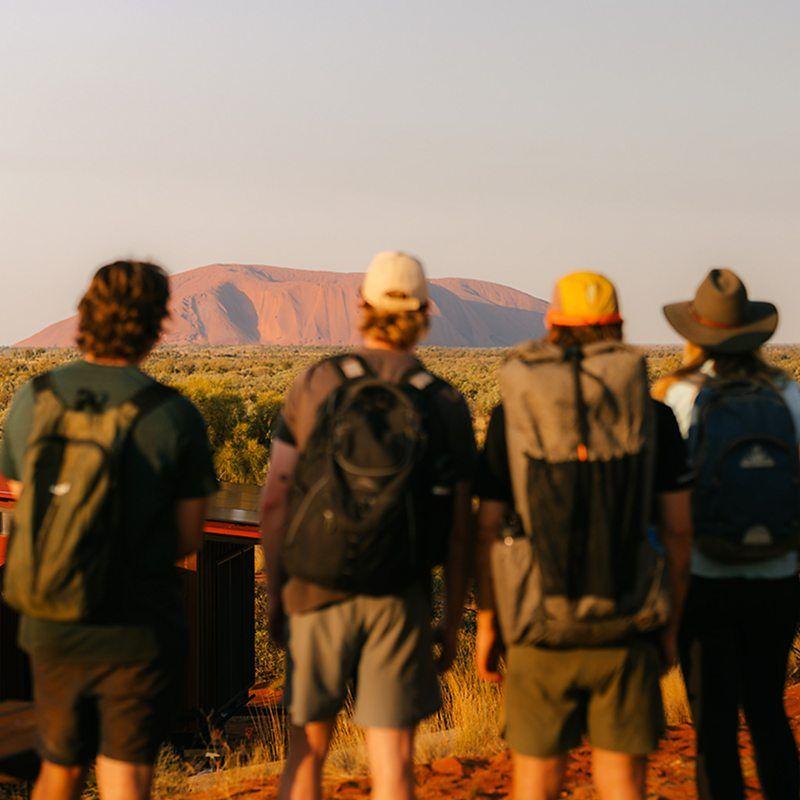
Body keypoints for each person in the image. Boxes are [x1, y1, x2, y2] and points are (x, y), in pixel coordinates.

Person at [260, 251, 475, 800]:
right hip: (399, 596)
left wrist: (278, 596)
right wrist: (452, 620)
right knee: (395, 769)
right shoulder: (444, 401)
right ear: (426, 312)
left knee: (305, 759)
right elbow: (457, 528)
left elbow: (275, 500)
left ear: (361, 306)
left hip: (315, 588)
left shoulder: (317, 383)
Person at [0, 261, 218, 800]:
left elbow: (21, 494)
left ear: (86, 313)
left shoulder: (34, 397)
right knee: (125, 777)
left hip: (52, 620)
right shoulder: (172, 415)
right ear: (156, 324)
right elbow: (191, 536)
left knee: (59, 768)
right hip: (136, 627)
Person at [474, 271, 693, 800]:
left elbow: (485, 528)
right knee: (622, 785)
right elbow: (681, 532)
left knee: (537, 781)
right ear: (618, 327)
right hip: (627, 620)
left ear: (552, 326)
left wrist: (489, 625)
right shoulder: (655, 416)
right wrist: (670, 628)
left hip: (537, 622)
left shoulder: (513, 415)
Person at [653, 268, 800, 800]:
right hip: (778, 574)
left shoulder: (675, 396)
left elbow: (661, 497)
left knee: (713, 727)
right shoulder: (788, 394)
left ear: (695, 332)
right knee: (767, 711)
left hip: (704, 577)